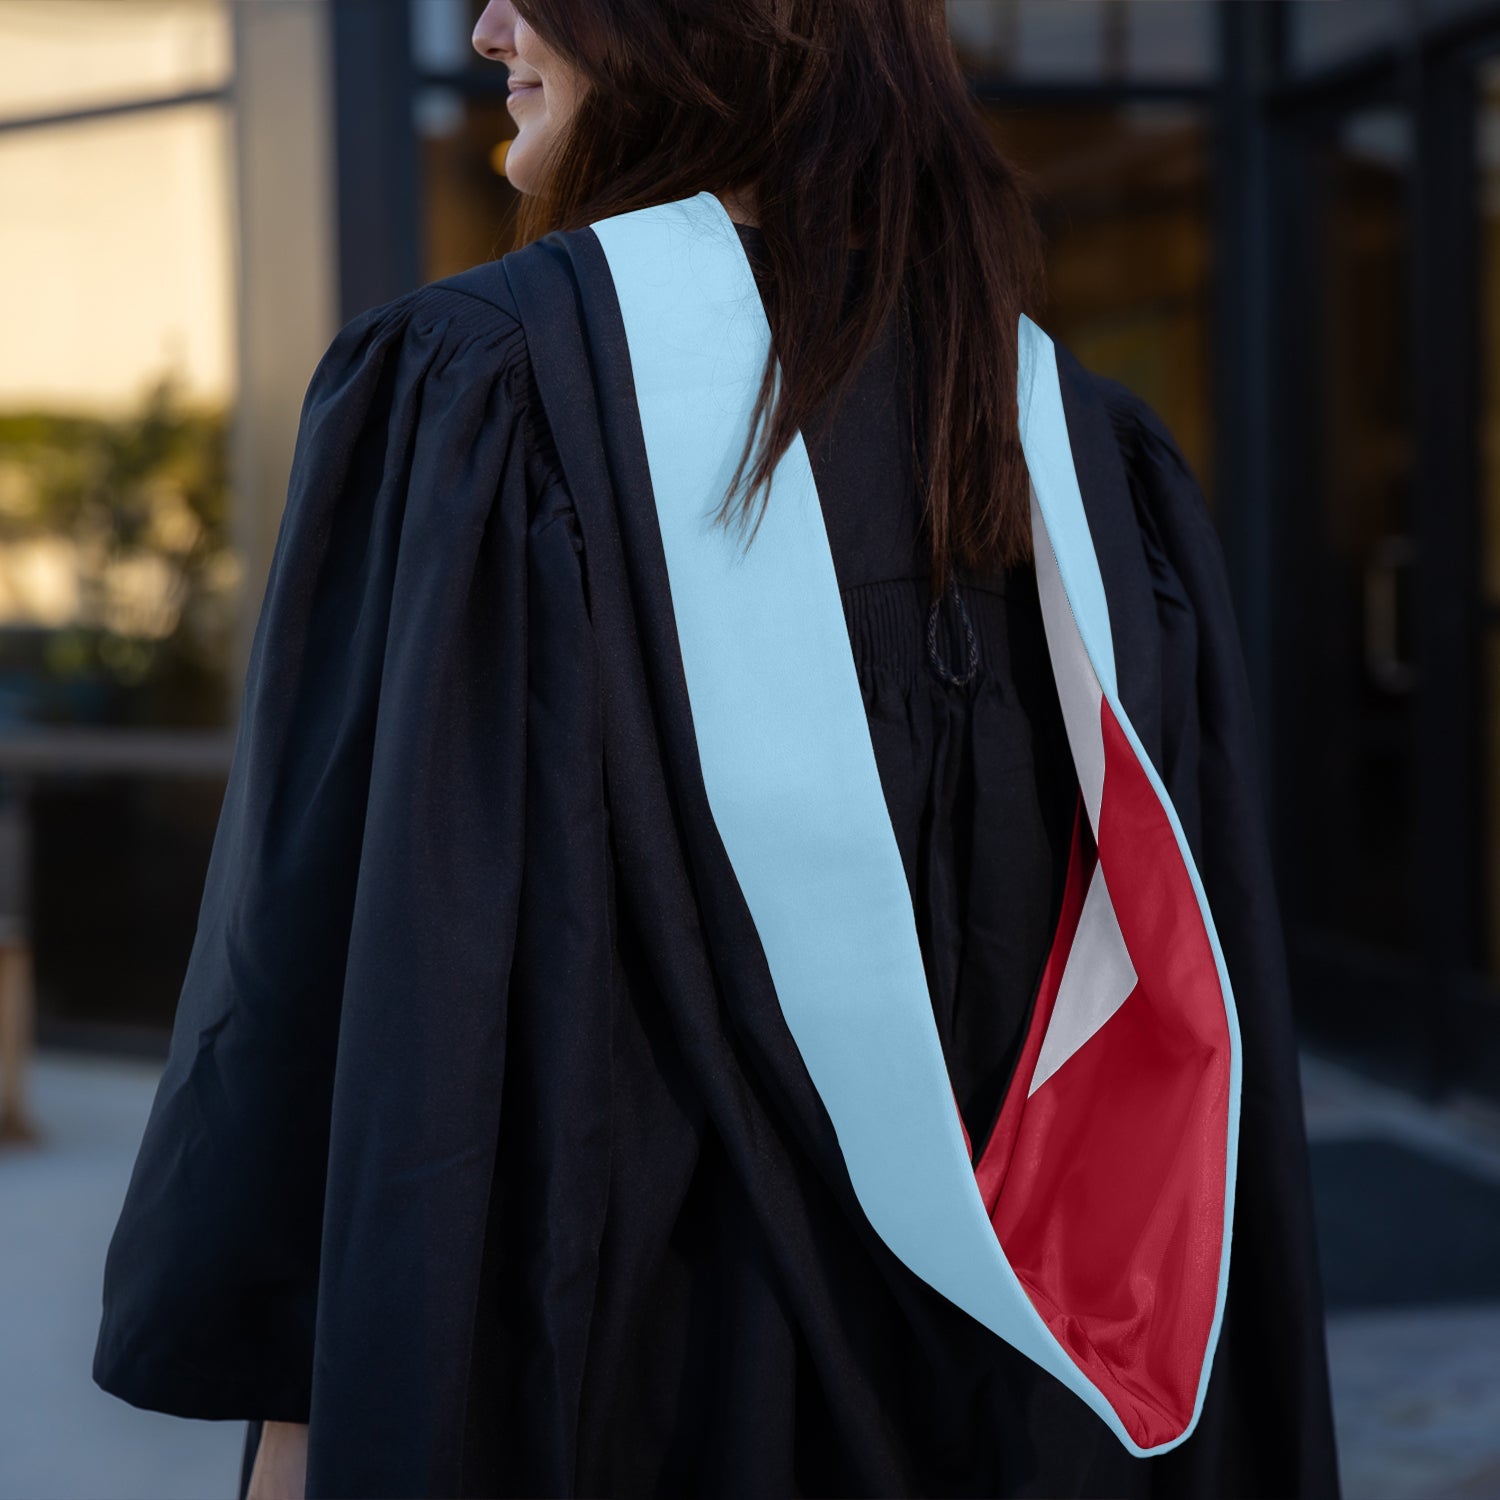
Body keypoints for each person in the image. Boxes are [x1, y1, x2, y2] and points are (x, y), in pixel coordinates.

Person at [92, 3, 1341, 1497]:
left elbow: (330, 1016)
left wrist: (295, 1441)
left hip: (621, 1398)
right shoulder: (1084, 460)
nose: (489, 24)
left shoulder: (484, 398)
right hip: (1028, 1426)